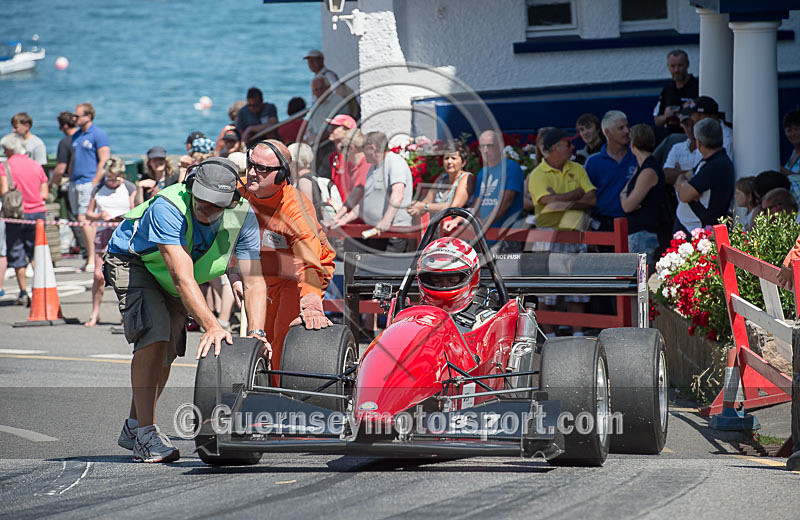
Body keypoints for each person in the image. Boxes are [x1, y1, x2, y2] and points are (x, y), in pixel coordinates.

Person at [105, 157, 267, 463]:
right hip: (135, 261)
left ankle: (133, 426)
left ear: (233, 201)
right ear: (191, 188)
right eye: (202, 201)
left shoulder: (244, 215)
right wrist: (213, 324)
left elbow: (255, 282)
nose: (206, 209)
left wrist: (257, 335)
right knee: (154, 335)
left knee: (167, 349)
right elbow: (181, 276)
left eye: (216, 205)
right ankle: (145, 435)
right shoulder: (168, 206)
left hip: (174, 277)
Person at [239, 140, 336, 379]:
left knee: (282, 335)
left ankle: (281, 395)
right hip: (264, 275)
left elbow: (309, 260)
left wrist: (311, 302)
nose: (252, 172)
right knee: (260, 335)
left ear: (281, 175)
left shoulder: (296, 208)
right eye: (251, 164)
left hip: (299, 275)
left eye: (262, 169)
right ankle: (261, 389)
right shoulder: (240, 192)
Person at [528, 128, 597, 336]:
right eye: (567, 144)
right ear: (554, 149)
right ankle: (550, 340)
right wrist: (577, 195)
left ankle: (577, 337)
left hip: (575, 235)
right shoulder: (537, 174)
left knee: (577, 292)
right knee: (547, 293)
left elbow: (592, 199)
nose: (572, 148)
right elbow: (549, 205)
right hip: (549, 237)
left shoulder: (577, 167)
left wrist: (561, 199)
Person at [331, 131, 413, 252]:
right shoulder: (374, 167)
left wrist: (386, 221)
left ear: (372, 148)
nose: (362, 152)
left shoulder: (394, 162)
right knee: (352, 251)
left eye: (363, 148)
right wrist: (344, 219)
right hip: (375, 232)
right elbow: (365, 201)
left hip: (393, 234)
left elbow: (398, 194)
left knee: (383, 270)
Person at [446, 130, 524, 251]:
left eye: (490, 146)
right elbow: (477, 205)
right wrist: (457, 219)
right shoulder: (483, 173)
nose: (486, 150)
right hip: (484, 236)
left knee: (502, 269)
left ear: (500, 146)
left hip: (506, 236)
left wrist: (484, 223)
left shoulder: (511, 168)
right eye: (483, 146)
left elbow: (506, 202)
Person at [84, 157, 136, 327]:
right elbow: (88, 214)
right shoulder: (98, 189)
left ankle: (125, 315)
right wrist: (100, 216)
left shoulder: (128, 187)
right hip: (103, 232)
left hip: (123, 233)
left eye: (117, 178)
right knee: (98, 276)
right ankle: (95, 313)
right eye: (110, 178)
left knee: (123, 277)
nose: (113, 182)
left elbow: (136, 208)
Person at [0, 133, 48, 306]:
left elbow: (4, 191)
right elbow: (45, 194)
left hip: (16, 215)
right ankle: (41, 289)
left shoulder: (5, 166)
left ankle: (23, 292)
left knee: (17, 254)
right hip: (38, 214)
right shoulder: (36, 165)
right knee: (37, 254)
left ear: (9, 149)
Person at [71, 102, 110, 272]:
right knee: (80, 220)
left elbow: (104, 160)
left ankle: (93, 259)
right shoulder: (76, 135)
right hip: (75, 181)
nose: (74, 118)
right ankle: (91, 256)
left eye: (77, 116)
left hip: (89, 181)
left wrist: (94, 182)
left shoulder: (98, 134)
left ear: (88, 116)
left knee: (85, 219)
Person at [675, 118, 735, 229]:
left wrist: (682, 184)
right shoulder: (710, 162)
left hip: (699, 231)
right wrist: (684, 182)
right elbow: (687, 177)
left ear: (699, 143)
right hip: (690, 228)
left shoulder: (715, 166)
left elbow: (684, 195)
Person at [620, 124, 666, 266]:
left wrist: (625, 196)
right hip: (638, 232)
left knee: (639, 281)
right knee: (637, 280)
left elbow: (627, 205)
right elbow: (625, 195)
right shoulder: (641, 168)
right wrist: (625, 196)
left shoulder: (648, 171)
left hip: (643, 233)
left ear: (632, 145)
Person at [584, 110, 638, 231]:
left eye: (627, 126)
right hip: (603, 224)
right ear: (607, 132)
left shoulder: (637, 157)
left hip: (633, 223)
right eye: (621, 128)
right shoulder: (593, 162)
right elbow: (587, 197)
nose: (627, 131)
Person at [50, 111, 86, 257]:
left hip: (72, 183)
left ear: (64, 126)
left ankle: (84, 250)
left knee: (74, 217)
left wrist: (51, 184)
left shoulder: (66, 142)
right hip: (87, 180)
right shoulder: (82, 138)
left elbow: (60, 169)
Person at [407, 141, 474, 216]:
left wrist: (424, 206)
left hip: (455, 225)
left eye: (453, 158)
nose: (449, 161)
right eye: (446, 158)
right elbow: (427, 200)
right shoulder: (442, 178)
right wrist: (415, 208)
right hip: (437, 224)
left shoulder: (467, 177)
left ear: (463, 163)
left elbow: (454, 207)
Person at [417, 236, 480, 315]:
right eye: (437, 280)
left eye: (452, 280)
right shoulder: (413, 316)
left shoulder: (484, 320)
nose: (444, 286)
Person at [653, 49, 699, 136]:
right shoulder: (667, 89)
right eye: (673, 66)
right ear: (668, 66)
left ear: (687, 65)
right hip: (670, 136)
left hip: (692, 136)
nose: (676, 70)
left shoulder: (698, 86)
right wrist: (666, 116)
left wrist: (685, 113)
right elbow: (657, 121)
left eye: (680, 65)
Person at [304, 49, 359, 119]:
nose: (311, 64)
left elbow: (338, 93)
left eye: (313, 60)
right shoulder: (319, 75)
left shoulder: (328, 75)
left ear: (321, 61)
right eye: (309, 61)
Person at [685, 96, 733, 161]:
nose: (691, 118)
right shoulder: (700, 132)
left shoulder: (727, 138)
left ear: (703, 116)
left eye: (692, 114)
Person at [304, 77, 351, 145]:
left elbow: (334, 129)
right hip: (315, 143)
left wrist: (316, 140)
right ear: (313, 92)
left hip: (329, 143)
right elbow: (309, 128)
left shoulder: (338, 102)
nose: (319, 92)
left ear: (328, 88)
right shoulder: (315, 105)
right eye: (316, 90)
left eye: (321, 88)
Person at [326, 114, 357, 191]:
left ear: (346, 131)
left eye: (335, 127)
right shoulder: (333, 156)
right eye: (331, 126)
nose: (330, 130)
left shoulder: (353, 156)